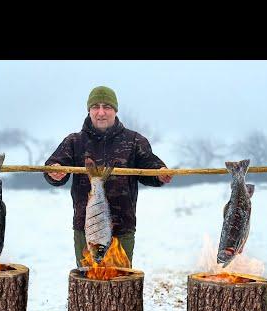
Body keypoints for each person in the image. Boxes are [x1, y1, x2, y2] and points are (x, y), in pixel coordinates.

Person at [44, 86, 172, 266]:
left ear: (115, 110)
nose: (101, 112)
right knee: (87, 285)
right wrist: (54, 172)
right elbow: (53, 166)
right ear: (89, 110)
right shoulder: (74, 141)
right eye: (96, 107)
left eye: (107, 107)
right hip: (86, 228)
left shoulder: (134, 140)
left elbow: (150, 167)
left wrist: (160, 174)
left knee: (120, 285)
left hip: (123, 229)